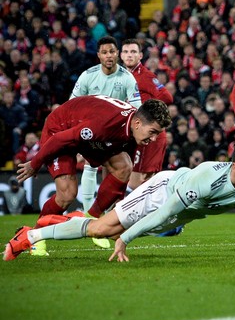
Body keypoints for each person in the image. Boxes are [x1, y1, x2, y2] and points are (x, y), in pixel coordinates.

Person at [4, 143, 235, 262]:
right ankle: (30, 236)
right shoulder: (204, 180)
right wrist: (127, 238)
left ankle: (51, 223)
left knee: (104, 231)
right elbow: (165, 210)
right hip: (164, 191)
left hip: (182, 214)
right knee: (102, 230)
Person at [15, 97, 171, 256]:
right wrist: (34, 164)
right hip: (60, 129)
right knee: (67, 194)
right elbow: (59, 139)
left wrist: (117, 209)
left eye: (157, 134)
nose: (154, 139)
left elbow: (122, 172)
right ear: (138, 123)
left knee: (124, 166)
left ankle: (93, 217)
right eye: (153, 132)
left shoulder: (132, 130)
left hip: (85, 135)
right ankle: (35, 237)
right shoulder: (105, 124)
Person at [71, 35, 142, 249]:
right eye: (105, 52)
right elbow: (72, 105)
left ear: (117, 54)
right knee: (91, 166)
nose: (109, 56)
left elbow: (137, 108)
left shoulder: (127, 77)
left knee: (114, 173)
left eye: (112, 51)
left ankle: (100, 220)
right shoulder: (87, 76)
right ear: (99, 55)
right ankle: (90, 220)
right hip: (89, 131)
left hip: (115, 133)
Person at [120, 38, 173, 190]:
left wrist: (146, 113)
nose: (129, 55)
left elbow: (167, 97)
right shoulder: (121, 76)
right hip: (134, 134)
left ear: (140, 56)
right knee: (134, 180)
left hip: (149, 135)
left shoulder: (146, 76)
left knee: (139, 181)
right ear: (121, 55)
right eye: (126, 52)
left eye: (133, 52)